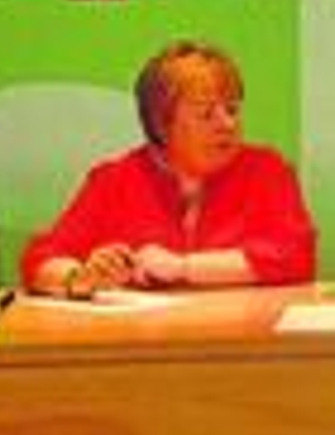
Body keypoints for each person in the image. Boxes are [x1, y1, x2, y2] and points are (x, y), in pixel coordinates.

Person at [20, 40, 317, 296]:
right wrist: (81, 277)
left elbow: (295, 255)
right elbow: (40, 260)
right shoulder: (114, 180)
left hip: (245, 347)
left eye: (232, 109)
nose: (227, 124)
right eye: (206, 113)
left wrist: (182, 268)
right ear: (162, 124)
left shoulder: (266, 170)